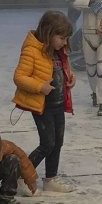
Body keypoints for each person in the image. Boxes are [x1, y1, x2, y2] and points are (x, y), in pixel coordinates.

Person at [12, 11, 75, 193]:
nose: (64, 42)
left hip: (58, 104)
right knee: (47, 143)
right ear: (49, 33)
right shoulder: (31, 51)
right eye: (62, 38)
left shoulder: (58, 51)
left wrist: (70, 78)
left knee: (58, 142)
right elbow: (19, 77)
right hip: (42, 106)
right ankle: (21, 176)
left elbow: (61, 70)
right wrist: (40, 86)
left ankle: (50, 179)